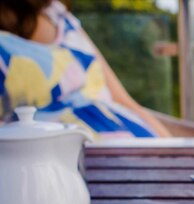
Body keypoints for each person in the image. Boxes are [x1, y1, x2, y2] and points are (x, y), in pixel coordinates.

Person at [0, 0, 171, 138]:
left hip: (137, 145)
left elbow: (124, 101)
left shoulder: (57, 13)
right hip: (50, 166)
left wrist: (174, 149)